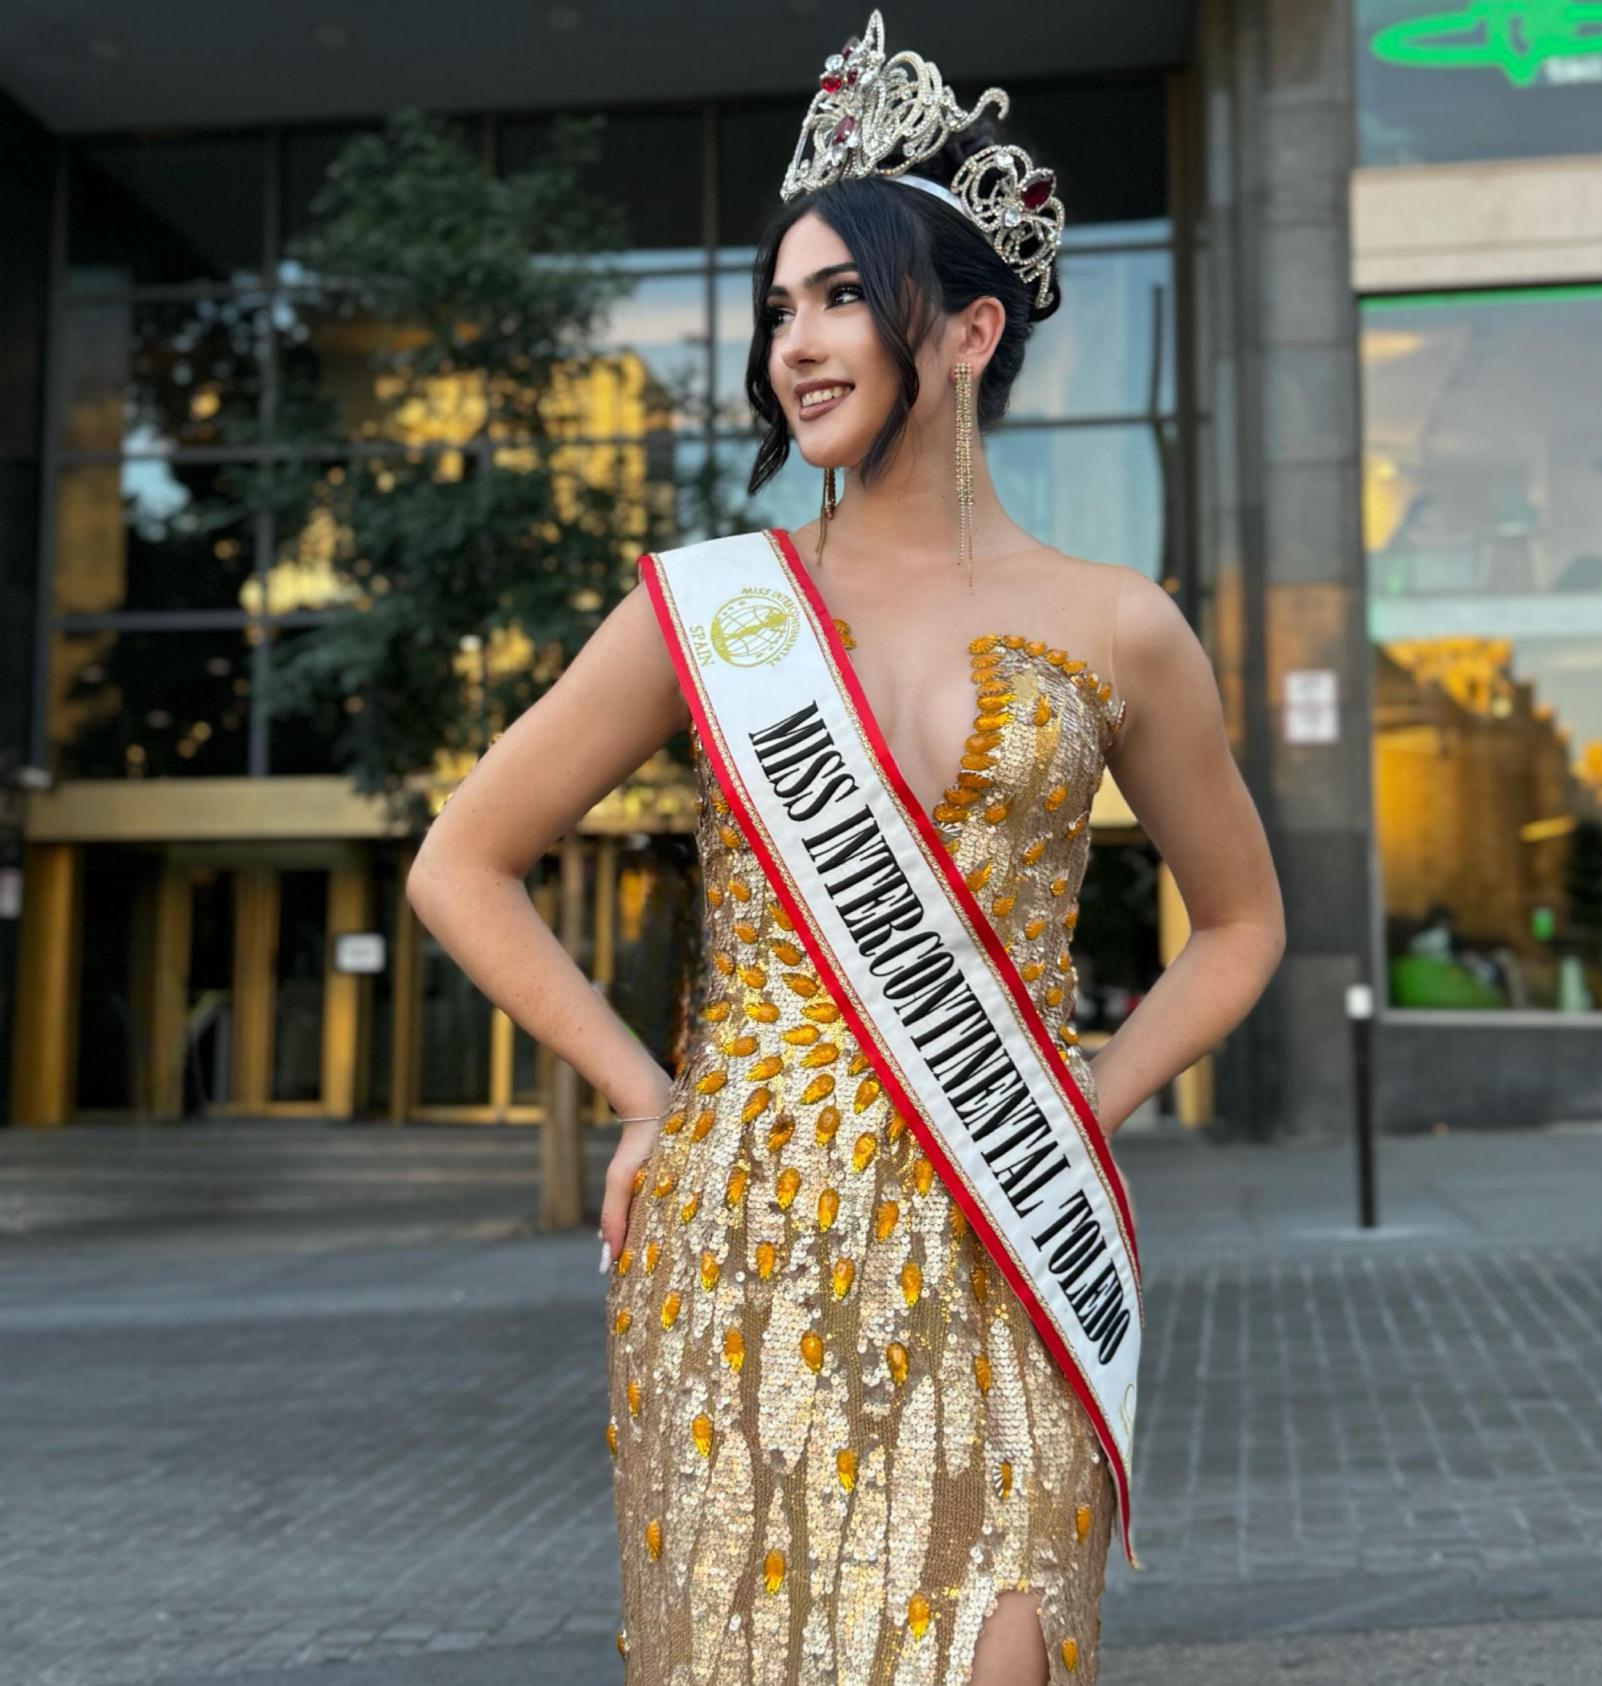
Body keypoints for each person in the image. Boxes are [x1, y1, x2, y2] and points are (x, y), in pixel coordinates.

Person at [406, 12, 1285, 1683]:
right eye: (777, 307)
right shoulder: (718, 611)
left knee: (1001, 1649)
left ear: (963, 330)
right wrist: (644, 1094)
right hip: (743, 1236)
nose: (794, 344)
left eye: (836, 298)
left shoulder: (1121, 626)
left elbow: (1239, 925)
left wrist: (1088, 1097)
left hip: (996, 1224)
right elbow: (462, 858)